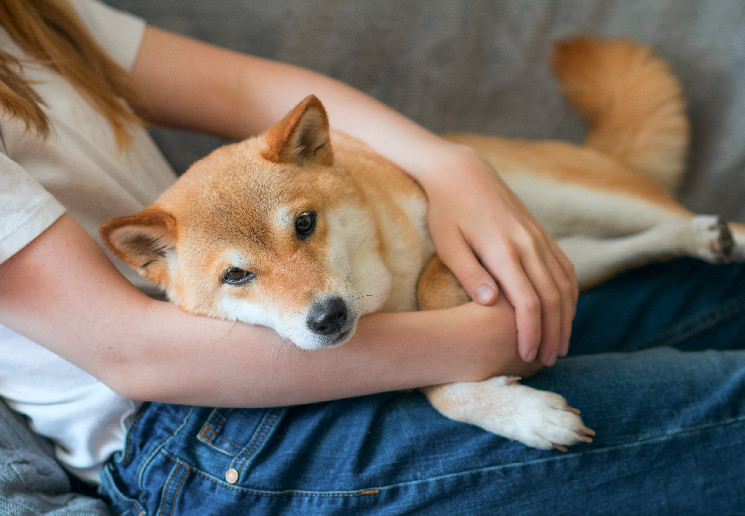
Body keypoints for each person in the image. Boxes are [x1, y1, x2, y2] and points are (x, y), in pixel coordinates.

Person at [0, 0, 743, 514]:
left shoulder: (34, 17)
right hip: (197, 430)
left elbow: (245, 87)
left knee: (723, 286)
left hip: (368, 325)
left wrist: (451, 165)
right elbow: (135, 356)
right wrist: (472, 344)